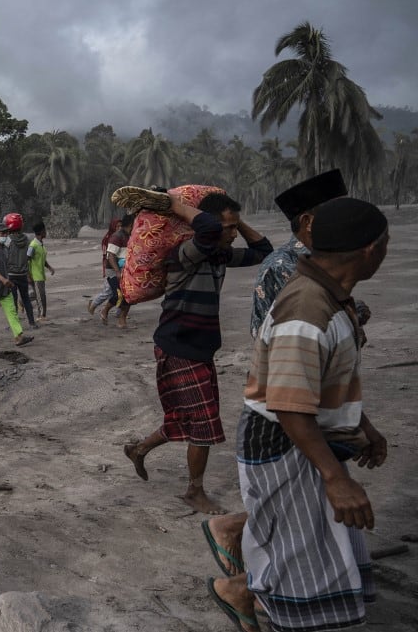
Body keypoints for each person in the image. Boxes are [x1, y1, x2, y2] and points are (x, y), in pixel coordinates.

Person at [208, 198, 389, 632]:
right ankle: (239, 591)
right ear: (370, 249)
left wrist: (363, 426)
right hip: (283, 438)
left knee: (310, 545)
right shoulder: (307, 310)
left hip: (304, 436)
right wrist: (335, 477)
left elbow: (329, 378)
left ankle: (241, 591)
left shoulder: (330, 296)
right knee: (297, 554)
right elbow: (288, 404)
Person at [124, 190, 271, 515]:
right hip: (178, 345)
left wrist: (235, 220)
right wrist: (176, 206)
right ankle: (194, 491)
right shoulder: (185, 253)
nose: (232, 235)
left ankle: (139, 449)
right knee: (204, 423)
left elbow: (263, 251)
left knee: (184, 418)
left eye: (235, 228)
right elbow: (205, 231)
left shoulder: (219, 255)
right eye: (228, 228)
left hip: (198, 348)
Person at [97, 214, 134, 328]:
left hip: (126, 270)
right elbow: (111, 256)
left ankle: (122, 319)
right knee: (118, 294)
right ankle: (105, 310)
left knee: (130, 295)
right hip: (113, 271)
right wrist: (117, 271)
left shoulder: (131, 236)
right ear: (131, 224)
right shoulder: (116, 237)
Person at [3, 212, 39, 329]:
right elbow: (29, 256)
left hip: (11, 275)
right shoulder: (27, 239)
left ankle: (13, 324)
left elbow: (4, 256)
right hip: (23, 274)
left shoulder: (7, 241)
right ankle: (32, 323)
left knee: (12, 302)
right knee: (26, 299)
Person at [27, 221, 54, 321]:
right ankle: (41, 316)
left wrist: (49, 267)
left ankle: (21, 302)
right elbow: (27, 259)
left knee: (37, 295)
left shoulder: (41, 244)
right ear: (42, 232)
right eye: (45, 230)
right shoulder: (33, 245)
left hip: (40, 275)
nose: (46, 232)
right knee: (40, 296)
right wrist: (28, 275)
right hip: (35, 275)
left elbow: (41, 259)